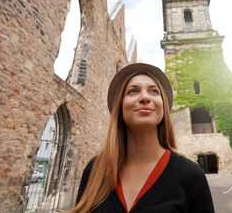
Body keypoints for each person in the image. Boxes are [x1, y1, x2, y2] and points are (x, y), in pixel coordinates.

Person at [69, 63, 215, 213]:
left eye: (154, 91)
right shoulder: (95, 170)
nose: (145, 97)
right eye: (133, 91)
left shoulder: (190, 175)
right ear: (119, 108)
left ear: (163, 108)